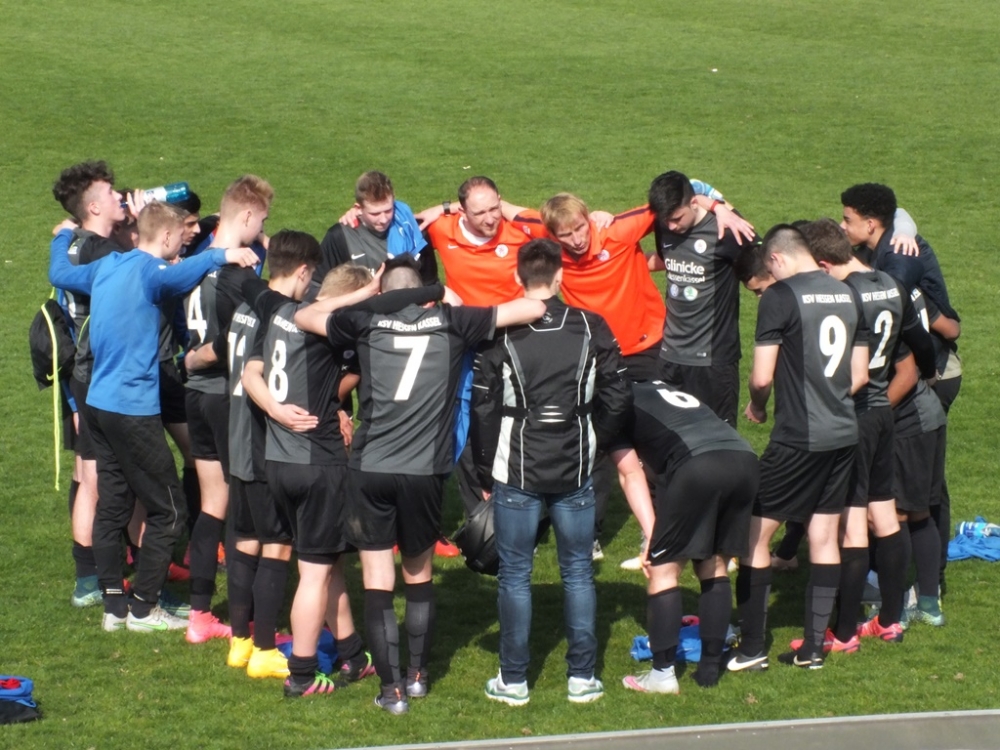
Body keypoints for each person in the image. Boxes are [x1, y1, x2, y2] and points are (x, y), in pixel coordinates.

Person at [295, 255, 546, 714]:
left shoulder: (364, 321)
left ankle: (390, 691)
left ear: (383, 291)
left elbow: (306, 315)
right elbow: (533, 307)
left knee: (377, 579)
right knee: (418, 574)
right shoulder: (453, 321)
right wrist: (438, 295)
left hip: (370, 467)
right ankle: (417, 677)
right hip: (424, 472)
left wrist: (369, 294)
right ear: (425, 289)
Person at [49, 200, 260, 632]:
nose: (183, 245)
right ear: (165, 236)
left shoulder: (105, 266)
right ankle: (145, 607)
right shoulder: (152, 272)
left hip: (98, 405)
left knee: (114, 503)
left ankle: (113, 605)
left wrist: (63, 235)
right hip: (133, 409)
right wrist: (225, 254)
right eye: (180, 237)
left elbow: (59, 273)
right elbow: (189, 270)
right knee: (170, 510)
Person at [470, 239, 631, 706]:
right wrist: (597, 441)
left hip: (516, 469)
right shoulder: (591, 326)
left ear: (517, 278)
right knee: (578, 571)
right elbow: (619, 396)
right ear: (561, 277)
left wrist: (484, 468)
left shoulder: (500, 332)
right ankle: (582, 677)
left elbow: (482, 407)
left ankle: (513, 680)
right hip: (575, 466)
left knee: (515, 574)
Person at [240, 232, 389, 698]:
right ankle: (302, 674)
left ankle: (352, 654)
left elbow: (250, 372)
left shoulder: (278, 311)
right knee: (314, 573)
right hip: (317, 462)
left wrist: (275, 409)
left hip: (278, 461)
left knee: (326, 563)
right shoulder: (327, 328)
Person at [727, 224, 869, 672]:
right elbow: (859, 374)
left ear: (776, 259)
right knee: (823, 536)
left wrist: (757, 405)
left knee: (754, 535)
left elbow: (762, 376)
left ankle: (752, 647)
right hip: (844, 432)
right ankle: (812, 649)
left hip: (798, 437)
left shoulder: (780, 297)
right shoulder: (847, 292)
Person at [800, 218, 936, 648]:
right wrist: (929, 373)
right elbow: (918, 344)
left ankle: (843, 633)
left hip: (854, 416)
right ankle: (890, 620)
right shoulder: (891, 284)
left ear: (824, 264)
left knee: (854, 526)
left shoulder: (843, 297)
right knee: (885, 515)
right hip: (883, 414)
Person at [841, 183, 961, 595]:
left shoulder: (897, 263)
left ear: (871, 223)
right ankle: (917, 579)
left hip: (931, 373)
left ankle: (924, 582)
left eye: (848, 219)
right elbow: (901, 210)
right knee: (916, 484)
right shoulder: (890, 240)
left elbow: (913, 330)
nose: (843, 226)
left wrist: (923, 375)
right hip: (918, 369)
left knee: (920, 489)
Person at [612, 380, 759, 691]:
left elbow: (631, 473)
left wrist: (652, 537)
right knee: (714, 565)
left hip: (698, 463)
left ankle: (662, 675)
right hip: (744, 458)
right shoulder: (654, 388)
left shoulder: (611, 404)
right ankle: (709, 669)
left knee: (663, 571)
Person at [183, 175, 273, 645]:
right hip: (224, 395)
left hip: (195, 395)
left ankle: (199, 614)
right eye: (262, 221)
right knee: (242, 509)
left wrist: (190, 360)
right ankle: (248, 621)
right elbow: (236, 338)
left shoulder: (196, 262)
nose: (262, 230)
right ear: (247, 215)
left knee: (211, 504)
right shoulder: (239, 276)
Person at [50, 160, 128, 608]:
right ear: (94, 207)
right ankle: (92, 576)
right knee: (99, 477)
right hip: (101, 374)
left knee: (88, 473)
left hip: (79, 373)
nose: (121, 197)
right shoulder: (101, 253)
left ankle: (92, 571)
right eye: (112, 194)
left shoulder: (75, 243)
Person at [646, 171, 757, 426]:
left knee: (718, 439)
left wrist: (723, 207)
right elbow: (665, 257)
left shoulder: (724, 231)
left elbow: (761, 255)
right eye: (666, 220)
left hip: (713, 362)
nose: (671, 227)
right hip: (670, 357)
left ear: (694, 203)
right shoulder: (664, 226)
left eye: (677, 218)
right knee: (666, 437)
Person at [317, 170, 437, 291]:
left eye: (388, 210)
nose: (383, 220)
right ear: (358, 208)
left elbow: (430, 284)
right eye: (375, 214)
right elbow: (316, 286)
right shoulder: (340, 236)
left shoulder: (415, 231)